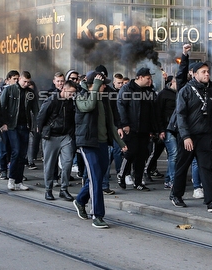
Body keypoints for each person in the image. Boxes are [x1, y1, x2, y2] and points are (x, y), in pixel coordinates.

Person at [170, 61, 212, 212]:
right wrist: (185, 136)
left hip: (205, 136)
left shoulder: (211, 90)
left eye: (208, 71)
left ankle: (211, 201)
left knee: (206, 168)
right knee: (182, 167)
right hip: (188, 136)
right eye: (203, 72)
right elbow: (180, 115)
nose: (207, 74)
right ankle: (176, 194)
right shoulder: (186, 90)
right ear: (194, 74)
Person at [73, 71, 126, 229]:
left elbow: (110, 124)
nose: (105, 86)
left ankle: (80, 200)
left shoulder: (103, 98)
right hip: (87, 143)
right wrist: (95, 87)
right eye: (103, 84)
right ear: (93, 84)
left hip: (102, 143)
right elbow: (88, 106)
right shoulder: (80, 96)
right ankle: (97, 215)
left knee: (96, 175)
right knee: (96, 178)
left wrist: (120, 142)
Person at [117, 67, 159, 191]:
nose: (150, 81)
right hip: (131, 127)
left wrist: (153, 128)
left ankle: (138, 181)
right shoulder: (127, 89)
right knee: (130, 152)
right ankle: (122, 174)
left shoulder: (149, 91)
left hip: (144, 128)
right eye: (148, 78)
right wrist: (124, 124)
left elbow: (152, 111)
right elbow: (121, 107)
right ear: (140, 77)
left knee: (142, 155)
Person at [36, 80, 78, 201]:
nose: (72, 95)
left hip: (65, 136)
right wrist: (42, 132)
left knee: (68, 162)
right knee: (49, 164)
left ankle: (64, 189)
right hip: (51, 136)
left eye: (73, 93)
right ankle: (48, 189)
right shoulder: (52, 100)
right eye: (70, 92)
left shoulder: (71, 102)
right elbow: (41, 116)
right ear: (64, 89)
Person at [0, 70, 39, 190]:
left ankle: (18, 180)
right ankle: (11, 179)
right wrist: (3, 123)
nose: (26, 84)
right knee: (16, 152)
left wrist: (36, 124)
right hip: (12, 126)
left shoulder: (30, 93)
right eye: (24, 81)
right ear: (19, 79)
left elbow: (35, 109)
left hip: (25, 126)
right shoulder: (9, 90)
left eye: (28, 82)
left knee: (22, 154)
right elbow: (1, 107)